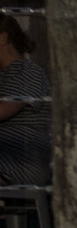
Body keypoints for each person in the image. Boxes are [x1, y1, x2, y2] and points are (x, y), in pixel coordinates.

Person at [0, 14, 51, 186]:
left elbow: (2, 109)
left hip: (19, 165)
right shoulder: (5, 74)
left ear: (3, 38)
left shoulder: (26, 71)